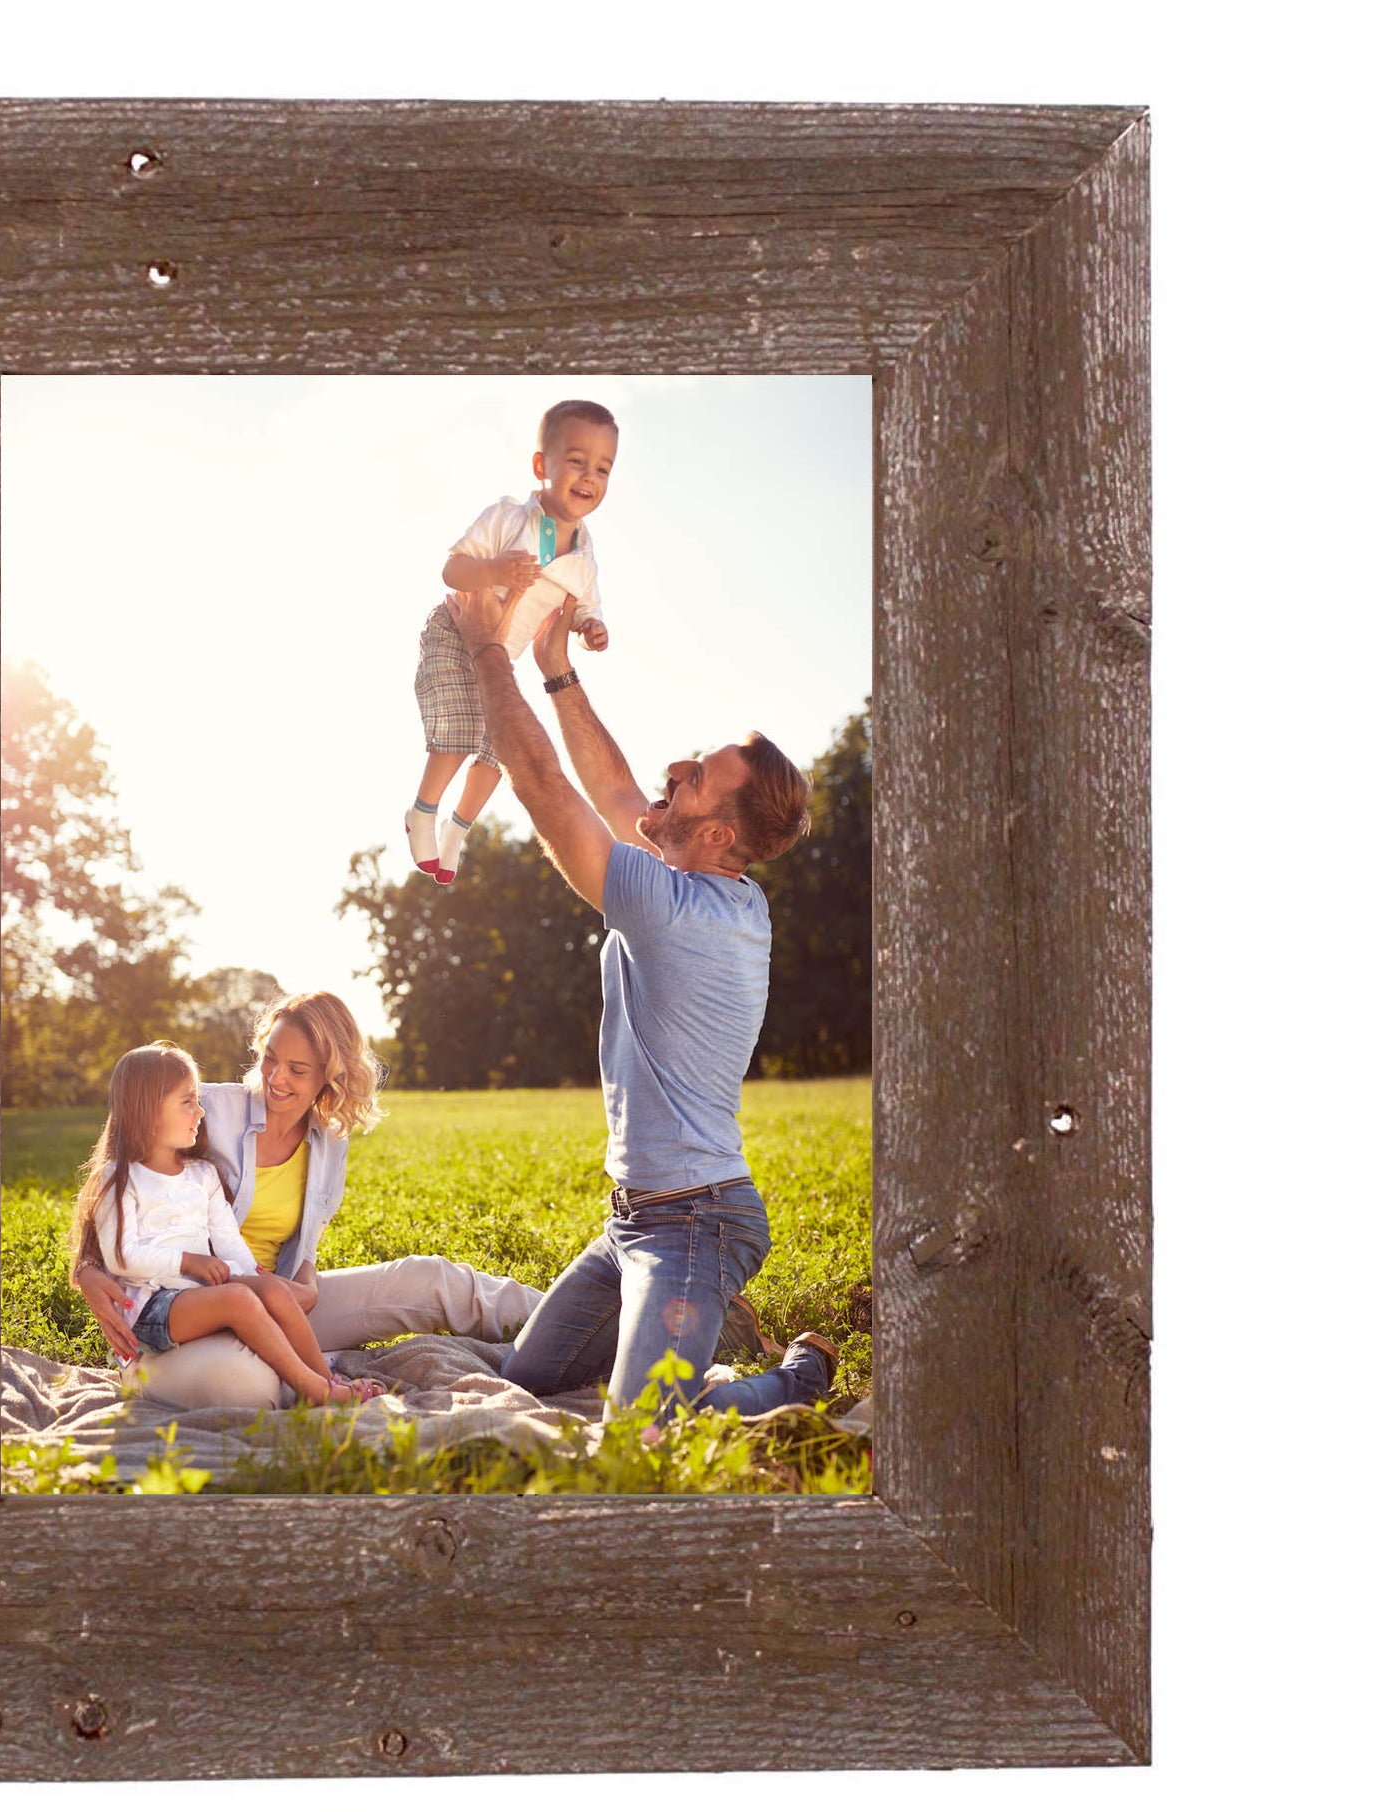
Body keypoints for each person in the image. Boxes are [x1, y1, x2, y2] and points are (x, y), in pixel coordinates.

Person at [442, 578, 841, 1418]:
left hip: (698, 1221)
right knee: (525, 1382)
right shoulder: (722, 890)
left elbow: (546, 785)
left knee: (640, 1427)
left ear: (716, 834)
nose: (675, 771)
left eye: (695, 777)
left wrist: (486, 649)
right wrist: (556, 671)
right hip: (632, 1225)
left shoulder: (674, 910)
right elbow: (617, 790)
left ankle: (797, 1376)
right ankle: (697, 1322)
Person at [73, 991, 546, 1410]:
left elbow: (305, 1251)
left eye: (298, 1070)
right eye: (270, 1058)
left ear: (330, 1074)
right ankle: (302, 1378)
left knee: (431, 1278)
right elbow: (118, 1176)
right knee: (249, 1386)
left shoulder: (328, 1142)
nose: (276, 1078)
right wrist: (87, 1271)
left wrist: (306, 1284)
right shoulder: (205, 1108)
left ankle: (570, 1320)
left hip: (270, 1299)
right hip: (179, 1312)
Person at [72, 1042, 382, 1406]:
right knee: (238, 1299)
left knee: (274, 1292)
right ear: (147, 1109)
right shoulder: (119, 1178)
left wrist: (257, 1277)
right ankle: (315, 1391)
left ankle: (328, 1381)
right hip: (149, 1307)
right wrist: (189, 1262)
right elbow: (122, 1257)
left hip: (196, 1294)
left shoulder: (203, 1174)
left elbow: (228, 1241)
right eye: (188, 1102)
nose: (200, 1111)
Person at [405, 399, 617, 887]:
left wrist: (592, 630)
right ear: (542, 466)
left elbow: (588, 610)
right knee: (460, 730)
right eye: (577, 460)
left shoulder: (584, 562)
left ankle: (457, 829)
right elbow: (452, 569)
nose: (589, 476)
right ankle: (422, 811)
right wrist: (494, 570)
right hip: (454, 633)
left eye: (603, 468)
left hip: (497, 659)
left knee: (498, 753)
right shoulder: (508, 518)